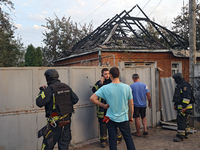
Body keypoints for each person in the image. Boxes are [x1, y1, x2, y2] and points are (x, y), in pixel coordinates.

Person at [90, 67, 135, 150]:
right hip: (123, 118)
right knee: (128, 139)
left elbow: (92, 98)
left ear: (110, 75)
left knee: (112, 140)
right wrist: (131, 117)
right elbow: (131, 104)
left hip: (110, 119)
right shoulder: (127, 87)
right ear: (119, 74)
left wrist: (103, 106)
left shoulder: (105, 88)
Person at [36, 69, 79, 150]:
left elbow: (39, 102)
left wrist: (42, 90)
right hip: (66, 122)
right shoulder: (66, 86)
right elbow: (75, 99)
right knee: (64, 145)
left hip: (54, 125)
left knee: (47, 145)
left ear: (48, 78)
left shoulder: (49, 89)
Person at [92, 68, 122, 148]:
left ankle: (118, 137)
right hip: (102, 109)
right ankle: (103, 141)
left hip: (111, 108)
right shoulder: (99, 83)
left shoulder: (112, 82)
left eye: (108, 73)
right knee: (103, 126)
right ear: (102, 75)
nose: (107, 75)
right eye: (105, 74)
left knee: (115, 124)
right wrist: (100, 83)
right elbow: (94, 91)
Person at [172, 73, 194, 142]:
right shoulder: (179, 85)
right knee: (183, 121)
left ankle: (180, 136)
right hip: (181, 107)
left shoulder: (185, 85)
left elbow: (187, 98)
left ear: (178, 78)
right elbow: (178, 97)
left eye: (175, 79)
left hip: (184, 108)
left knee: (181, 121)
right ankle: (185, 133)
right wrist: (175, 104)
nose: (174, 80)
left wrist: (184, 107)